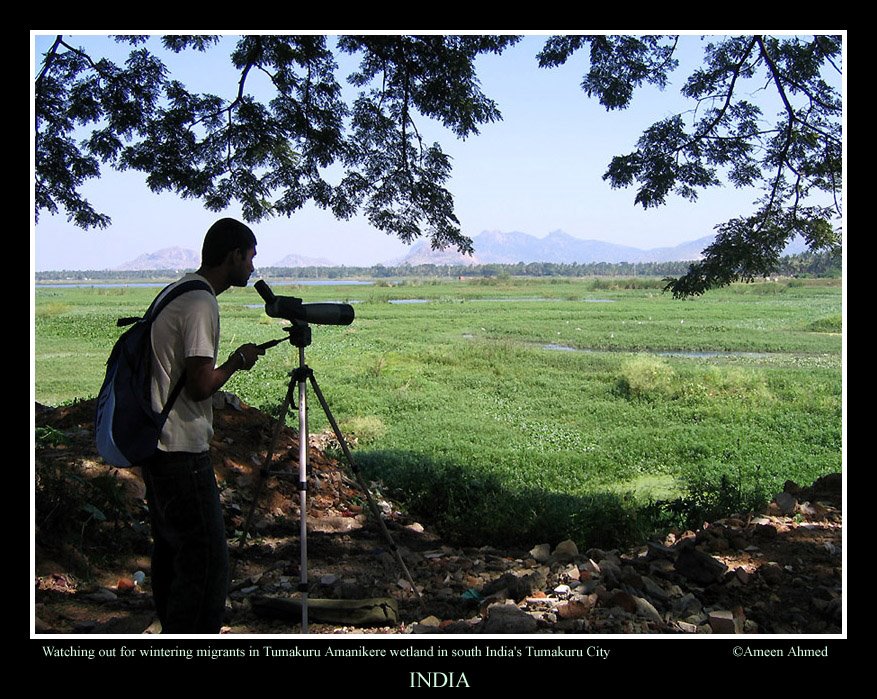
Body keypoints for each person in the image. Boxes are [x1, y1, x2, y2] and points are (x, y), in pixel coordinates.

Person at [141, 217, 265, 633]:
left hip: (155, 445)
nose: (251, 268)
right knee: (208, 563)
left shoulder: (176, 290)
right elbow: (200, 386)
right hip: (180, 450)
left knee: (172, 555)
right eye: (249, 258)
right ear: (233, 256)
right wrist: (237, 361)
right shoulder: (201, 303)